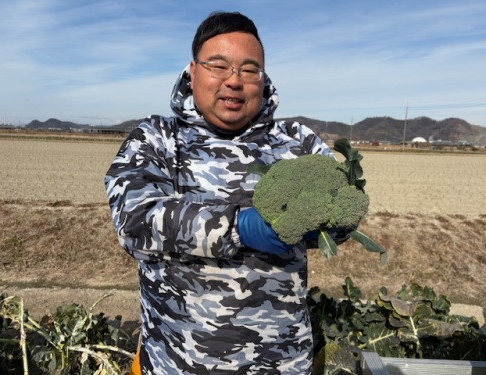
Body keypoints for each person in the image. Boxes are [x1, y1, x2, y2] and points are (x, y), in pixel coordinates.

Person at [105, 11, 338, 374]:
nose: (234, 81)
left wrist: (323, 219)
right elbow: (134, 222)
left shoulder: (297, 142)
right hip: (177, 362)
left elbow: (343, 207)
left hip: (282, 363)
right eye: (218, 66)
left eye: (249, 70)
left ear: (263, 80)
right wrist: (238, 226)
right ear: (193, 71)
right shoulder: (156, 139)